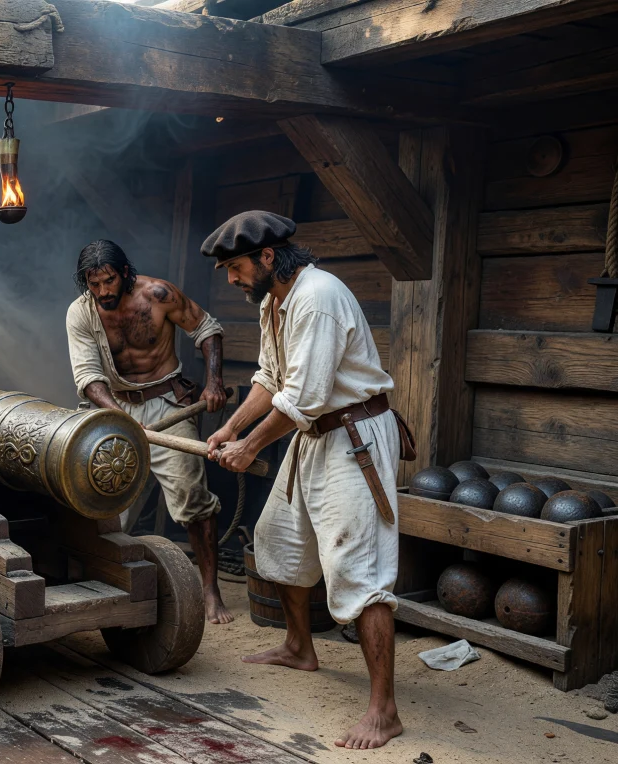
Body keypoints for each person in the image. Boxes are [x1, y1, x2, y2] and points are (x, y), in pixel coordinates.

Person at [203, 211, 408, 749]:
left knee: (358, 572)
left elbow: (306, 398)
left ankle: (383, 711)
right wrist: (228, 428)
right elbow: (271, 381)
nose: (232, 279)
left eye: (235, 267)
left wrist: (249, 447)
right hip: (313, 436)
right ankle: (300, 646)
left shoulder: (317, 297)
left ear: (268, 257)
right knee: (279, 538)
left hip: (352, 436)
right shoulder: (277, 301)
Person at [65, 239, 232, 624]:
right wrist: (122, 418)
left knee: (192, 497)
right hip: (116, 407)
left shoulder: (158, 295)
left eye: (109, 281)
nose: (103, 291)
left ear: (125, 273)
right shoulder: (81, 313)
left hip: (169, 405)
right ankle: (106, 582)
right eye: (94, 284)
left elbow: (207, 328)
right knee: (103, 500)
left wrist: (213, 382)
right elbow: (88, 377)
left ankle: (210, 590)